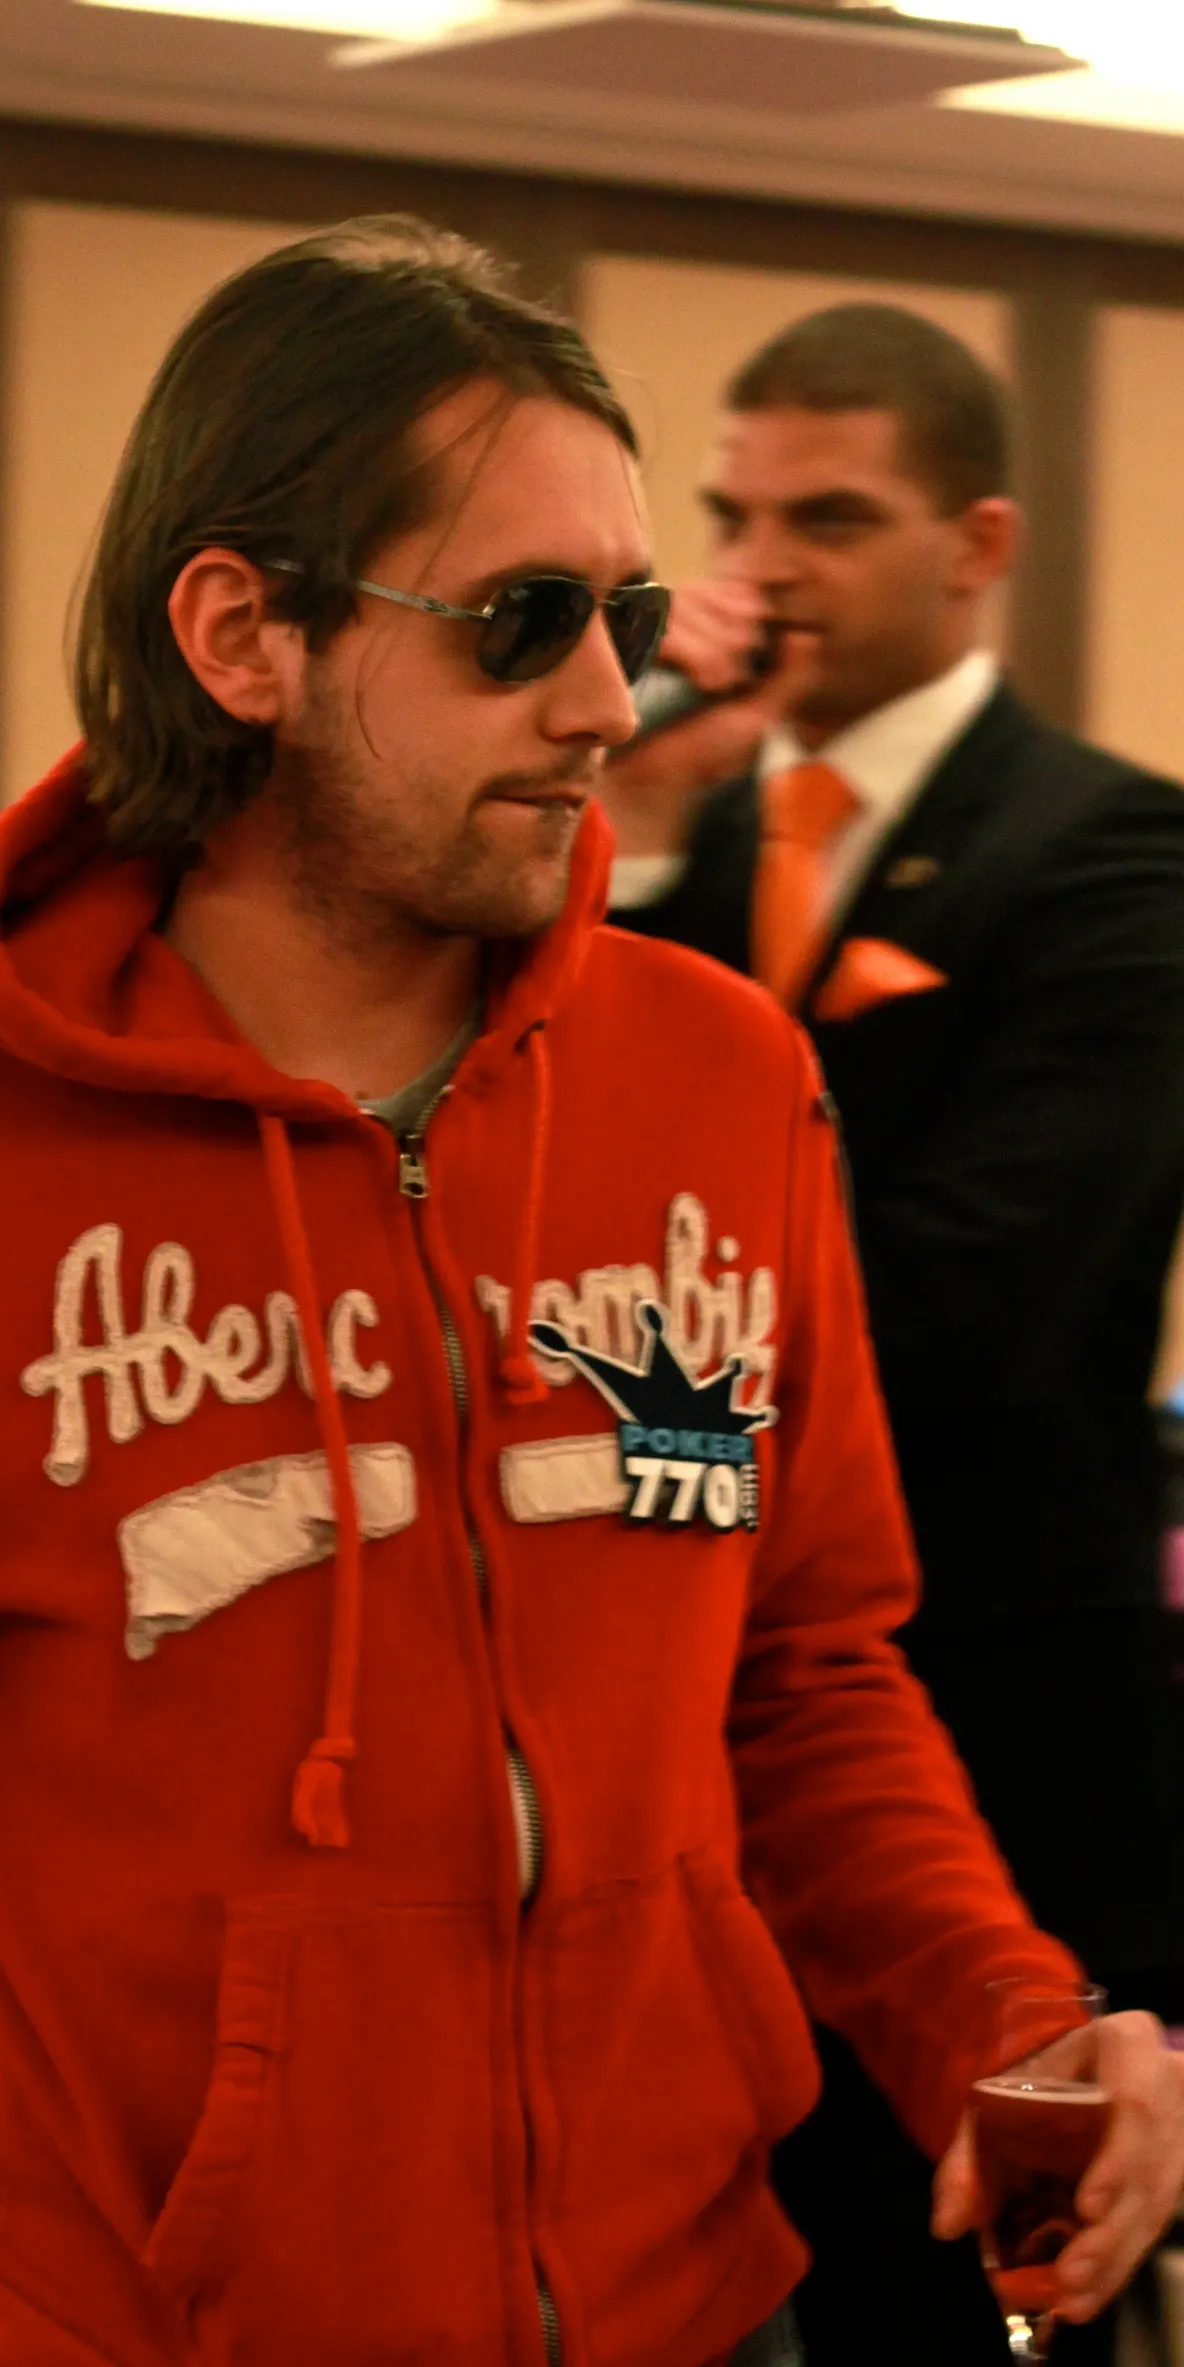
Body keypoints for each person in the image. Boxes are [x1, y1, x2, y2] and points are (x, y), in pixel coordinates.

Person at [0, 222, 1179, 2367]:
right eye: (522, 622)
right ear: (242, 632)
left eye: (624, 617)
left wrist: (1004, 2010)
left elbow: (802, 1674)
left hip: (703, 2317)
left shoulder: (719, 1084)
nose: (608, 702)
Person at [604, 301, 1184, 2366]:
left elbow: (980, 1295)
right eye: (733, 518)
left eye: (830, 519)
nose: (763, 572)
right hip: (705, 1742)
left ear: (977, 543)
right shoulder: (667, 867)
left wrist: (623, 1336)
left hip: (1001, 1719)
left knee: (991, 2288)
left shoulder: (1109, 850)